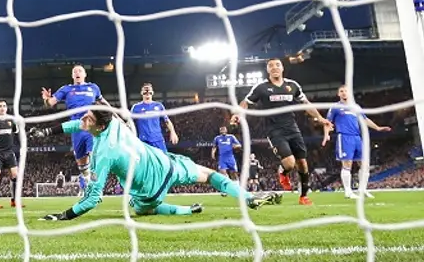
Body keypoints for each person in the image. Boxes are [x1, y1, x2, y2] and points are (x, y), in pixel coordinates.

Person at [30, 109, 282, 221]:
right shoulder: (114, 123)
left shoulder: (102, 154)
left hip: (149, 192)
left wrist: (64, 216)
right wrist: (47, 132)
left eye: (88, 117)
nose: (83, 119)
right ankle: (247, 197)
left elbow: (93, 199)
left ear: (99, 126)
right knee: (211, 175)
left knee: (141, 209)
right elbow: (77, 124)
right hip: (166, 165)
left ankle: (185, 211)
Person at [232, 58, 332, 205]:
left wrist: (320, 118)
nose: (274, 67)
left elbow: (306, 104)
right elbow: (246, 102)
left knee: (303, 164)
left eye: (277, 65)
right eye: (270, 66)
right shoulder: (261, 88)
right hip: (274, 130)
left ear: (282, 68)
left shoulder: (293, 85)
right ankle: (283, 172)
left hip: (293, 128)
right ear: (267, 70)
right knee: (290, 164)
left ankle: (303, 196)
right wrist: (238, 114)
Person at [41, 64, 112, 194]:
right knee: (82, 164)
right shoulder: (66, 89)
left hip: (92, 126)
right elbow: (50, 104)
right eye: (75, 71)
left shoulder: (93, 87)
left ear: (85, 74)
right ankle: (86, 182)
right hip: (76, 127)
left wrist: (115, 114)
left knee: (93, 156)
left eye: (80, 71)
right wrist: (46, 99)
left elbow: (104, 104)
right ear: (72, 76)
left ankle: (96, 188)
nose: (77, 73)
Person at [322, 85, 391, 199]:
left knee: (365, 164)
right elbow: (327, 122)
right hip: (344, 137)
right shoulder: (335, 107)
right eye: (341, 91)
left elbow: (364, 119)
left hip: (357, 137)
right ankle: (348, 192)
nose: (344, 93)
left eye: (346, 91)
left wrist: (378, 128)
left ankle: (362, 190)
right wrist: (326, 135)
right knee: (347, 164)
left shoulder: (355, 107)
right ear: (338, 94)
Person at [131, 83, 179, 152]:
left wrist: (173, 132)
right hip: (144, 142)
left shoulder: (159, 106)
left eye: (149, 91)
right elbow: (130, 122)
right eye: (145, 91)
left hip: (158, 140)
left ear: (152, 93)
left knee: (164, 160)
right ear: (141, 93)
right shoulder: (136, 107)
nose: (147, 93)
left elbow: (167, 121)